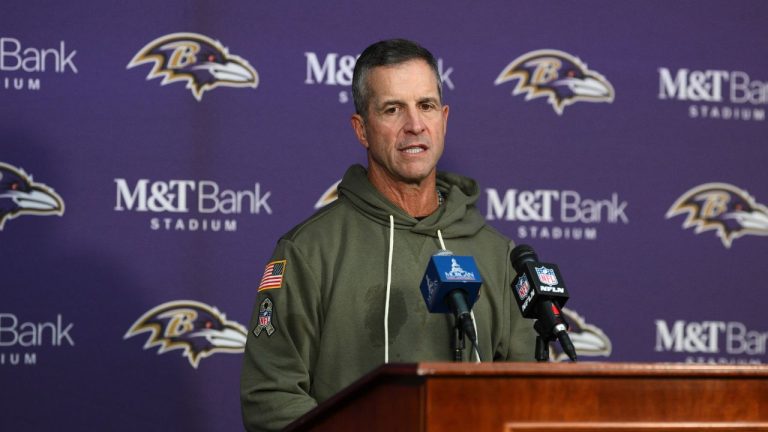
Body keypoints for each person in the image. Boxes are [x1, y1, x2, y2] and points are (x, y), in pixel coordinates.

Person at [240, 38, 536, 432]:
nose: (415, 125)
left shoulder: (498, 254)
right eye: (393, 109)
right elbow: (270, 399)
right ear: (361, 129)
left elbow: (531, 397)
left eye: (426, 105)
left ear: (444, 118)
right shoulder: (308, 251)